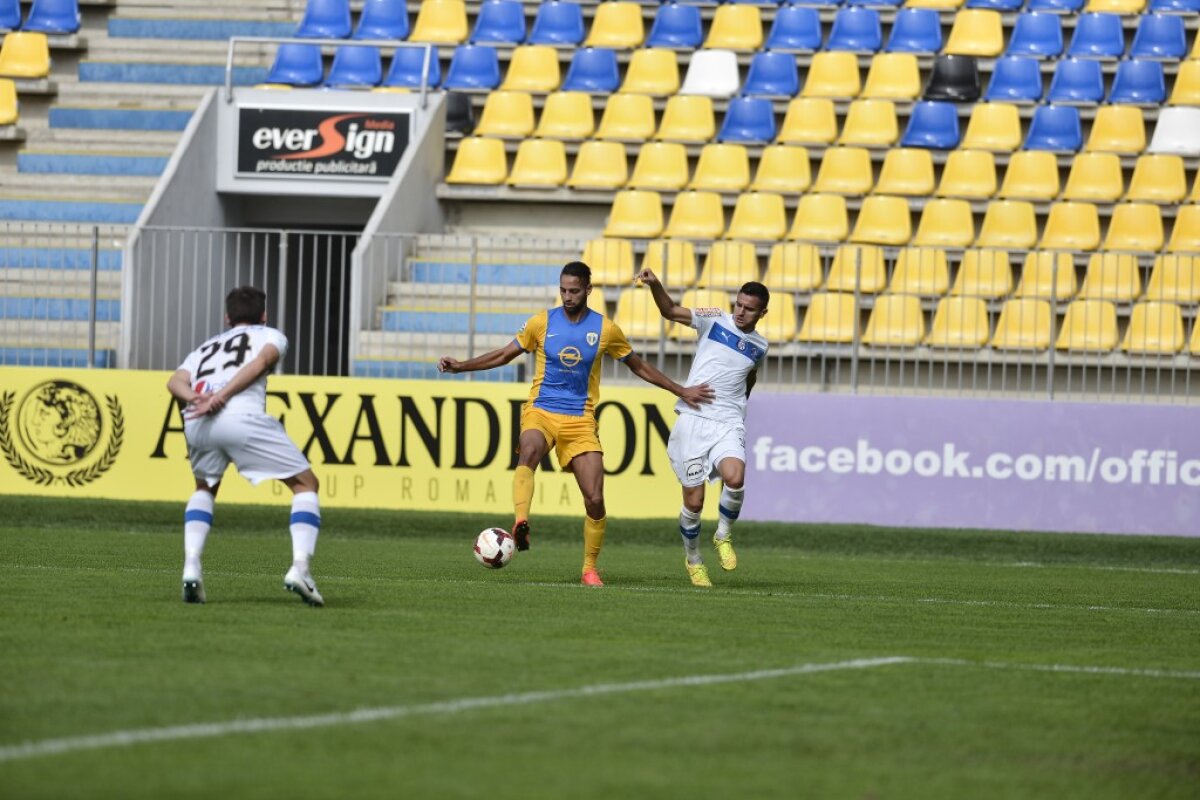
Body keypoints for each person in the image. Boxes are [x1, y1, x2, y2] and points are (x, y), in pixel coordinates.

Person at [438, 261, 714, 587]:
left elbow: (638, 366)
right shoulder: (542, 323)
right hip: (541, 410)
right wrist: (461, 366)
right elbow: (503, 355)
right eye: (563, 290)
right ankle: (521, 522)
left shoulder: (605, 329)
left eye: (573, 291)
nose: (567, 297)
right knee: (528, 451)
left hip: (580, 419)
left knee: (595, 499)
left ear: (588, 290)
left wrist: (680, 389)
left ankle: (589, 569)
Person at [166, 286, 325, 607]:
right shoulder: (271, 335)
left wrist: (197, 398)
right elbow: (262, 363)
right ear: (263, 315)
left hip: (196, 419)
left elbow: (174, 381)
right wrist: (221, 397)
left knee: (205, 486)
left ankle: (191, 565)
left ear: (227, 317)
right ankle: (300, 569)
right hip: (238, 414)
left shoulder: (206, 346)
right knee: (306, 484)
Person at [634, 268, 770, 588]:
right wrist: (656, 284)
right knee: (694, 503)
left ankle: (722, 535)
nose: (740, 311)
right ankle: (693, 558)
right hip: (694, 418)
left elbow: (748, 378)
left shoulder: (760, 346)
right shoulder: (714, 319)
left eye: (749, 308)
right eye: (738, 304)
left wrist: (738, 405)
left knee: (735, 477)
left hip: (727, 420)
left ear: (762, 313)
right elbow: (669, 311)